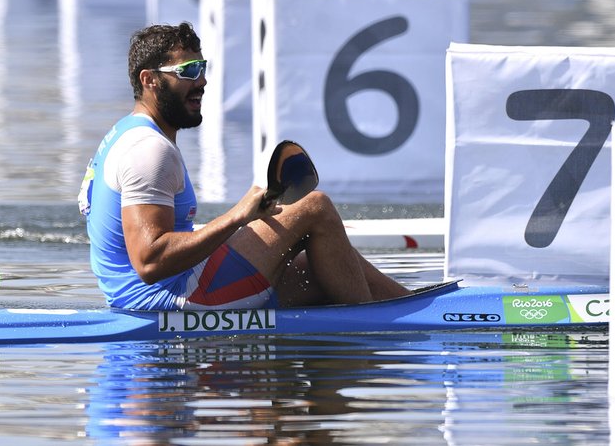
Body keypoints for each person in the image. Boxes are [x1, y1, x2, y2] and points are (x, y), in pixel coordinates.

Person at [78, 22, 410, 310]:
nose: (203, 81)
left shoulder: (125, 132)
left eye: (203, 67)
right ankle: (380, 327)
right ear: (149, 80)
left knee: (326, 260)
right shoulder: (149, 150)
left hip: (157, 291)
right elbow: (149, 261)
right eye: (188, 71)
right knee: (315, 207)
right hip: (168, 300)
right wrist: (239, 216)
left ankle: (416, 304)